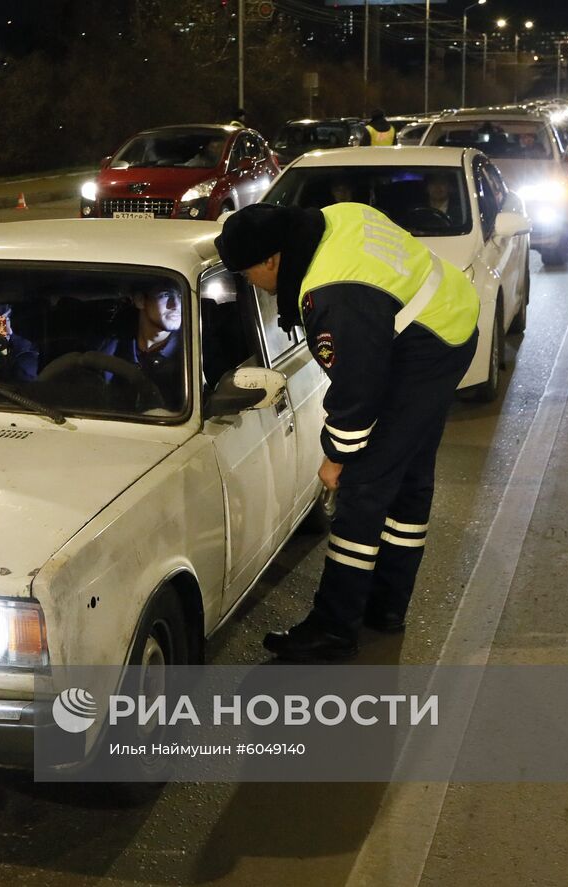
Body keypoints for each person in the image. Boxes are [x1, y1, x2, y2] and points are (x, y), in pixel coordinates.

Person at [214, 202, 479, 661]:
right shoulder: (337, 216)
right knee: (409, 478)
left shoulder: (332, 294)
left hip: (425, 350)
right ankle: (386, 607)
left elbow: (359, 392)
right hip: (450, 318)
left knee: (363, 490)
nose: (248, 283)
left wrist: (336, 457)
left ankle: (334, 627)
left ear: (272, 259)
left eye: (246, 272)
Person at [97, 284, 186, 409]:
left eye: (181, 296)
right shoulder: (112, 347)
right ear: (140, 301)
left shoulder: (191, 353)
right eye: (166, 295)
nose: (176, 305)